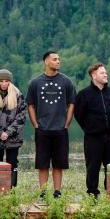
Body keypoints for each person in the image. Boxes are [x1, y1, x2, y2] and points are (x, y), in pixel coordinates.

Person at [27, 50, 76, 198]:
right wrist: (35, 124)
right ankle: (42, 192)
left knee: (59, 163)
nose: (58, 61)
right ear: (46, 62)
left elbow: (72, 103)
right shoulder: (35, 83)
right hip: (42, 129)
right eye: (55, 59)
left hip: (60, 129)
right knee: (42, 163)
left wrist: (66, 124)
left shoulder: (66, 82)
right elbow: (30, 104)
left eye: (59, 59)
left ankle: (57, 192)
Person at [74, 62, 110, 198]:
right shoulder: (84, 94)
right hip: (93, 137)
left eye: (106, 72)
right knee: (92, 166)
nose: (105, 75)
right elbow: (79, 115)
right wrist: (90, 128)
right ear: (94, 75)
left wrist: (109, 124)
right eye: (102, 73)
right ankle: (92, 193)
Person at [0, 69, 27, 188]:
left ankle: (11, 190)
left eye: (6, 81)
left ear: (10, 82)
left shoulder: (19, 97)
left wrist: (8, 132)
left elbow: (21, 118)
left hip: (13, 139)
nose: (3, 83)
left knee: (12, 164)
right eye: (1, 81)